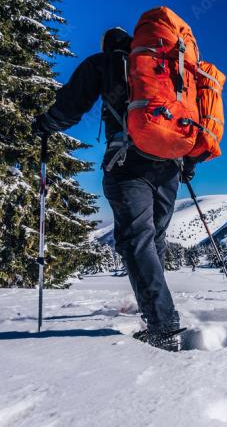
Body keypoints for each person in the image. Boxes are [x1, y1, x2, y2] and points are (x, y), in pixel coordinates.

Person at [33, 27, 195, 351]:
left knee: (137, 241)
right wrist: (187, 166)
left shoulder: (106, 63)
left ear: (108, 45)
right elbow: (189, 119)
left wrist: (45, 124)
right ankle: (156, 317)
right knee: (152, 241)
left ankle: (162, 326)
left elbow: (70, 105)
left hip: (127, 163)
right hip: (170, 167)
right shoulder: (167, 70)